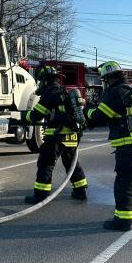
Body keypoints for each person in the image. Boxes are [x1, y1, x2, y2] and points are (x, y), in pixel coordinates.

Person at [85, 61, 132, 231]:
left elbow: (99, 117)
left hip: (130, 147)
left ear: (108, 78)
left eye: (104, 80)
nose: (105, 84)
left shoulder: (115, 92)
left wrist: (87, 111)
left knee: (125, 183)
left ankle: (123, 221)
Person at [23, 65, 88, 203]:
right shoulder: (63, 92)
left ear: (45, 81)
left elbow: (37, 114)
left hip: (56, 136)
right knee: (72, 164)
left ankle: (40, 195)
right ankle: (80, 191)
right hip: (72, 135)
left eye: (40, 82)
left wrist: (24, 116)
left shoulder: (50, 93)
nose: (40, 85)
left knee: (45, 164)